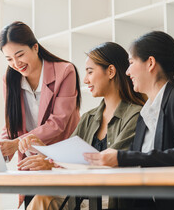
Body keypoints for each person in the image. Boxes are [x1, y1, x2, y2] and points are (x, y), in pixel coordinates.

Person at [84, 31, 174, 210]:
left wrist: (122, 157)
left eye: (130, 63)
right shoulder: (146, 113)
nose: (128, 72)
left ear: (150, 63)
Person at [19, 42, 145, 210]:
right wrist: (46, 154)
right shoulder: (88, 118)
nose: (85, 80)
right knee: (42, 197)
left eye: (90, 72)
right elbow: (66, 156)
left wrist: (53, 162)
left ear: (111, 71)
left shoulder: (135, 115)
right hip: (83, 197)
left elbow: (110, 164)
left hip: (113, 200)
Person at [0, 21, 81, 207]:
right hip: (30, 164)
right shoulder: (9, 78)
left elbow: (58, 122)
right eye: (9, 59)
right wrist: (2, 148)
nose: (16, 64)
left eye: (20, 55)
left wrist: (16, 143)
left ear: (35, 47)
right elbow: (11, 122)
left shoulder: (65, 71)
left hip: (60, 161)